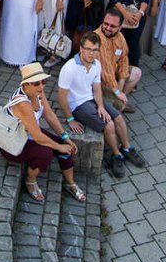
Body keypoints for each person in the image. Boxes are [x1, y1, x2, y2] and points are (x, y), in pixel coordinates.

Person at [57, 32, 146, 179]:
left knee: (118, 117)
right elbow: (61, 97)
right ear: (81, 49)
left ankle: (127, 148)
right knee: (109, 124)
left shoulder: (97, 64)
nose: (91, 53)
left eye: (94, 50)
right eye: (88, 49)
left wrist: (101, 106)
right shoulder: (69, 68)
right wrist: (70, 119)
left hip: (91, 97)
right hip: (78, 105)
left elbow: (97, 88)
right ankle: (116, 156)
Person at [0, 63, 85, 202]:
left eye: (43, 81)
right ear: (25, 85)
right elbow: (38, 137)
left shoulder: (37, 92)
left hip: (29, 134)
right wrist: (59, 146)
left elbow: (49, 114)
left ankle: (70, 184)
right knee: (46, 153)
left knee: (64, 147)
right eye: (36, 83)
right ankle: (30, 181)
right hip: (12, 143)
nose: (41, 86)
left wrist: (65, 137)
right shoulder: (22, 103)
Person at [95, 9, 142, 114]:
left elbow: (124, 59)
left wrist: (120, 87)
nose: (107, 28)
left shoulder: (119, 37)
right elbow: (106, 72)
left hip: (113, 74)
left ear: (120, 27)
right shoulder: (98, 39)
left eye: (112, 26)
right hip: (100, 80)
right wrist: (117, 91)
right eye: (106, 24)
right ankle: (116, 105)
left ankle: (119, 100)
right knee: (118, 110)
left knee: (137, 72)